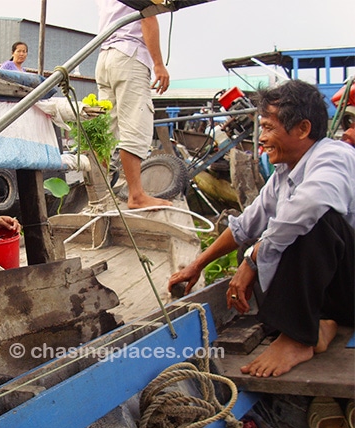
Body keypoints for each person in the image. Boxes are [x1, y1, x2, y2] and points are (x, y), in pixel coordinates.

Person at [168, 79, 355, 378]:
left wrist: (252, 260)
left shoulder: (335, 157)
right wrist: (198, 265)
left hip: (351, 286)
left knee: (313, 221)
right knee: (256, 237)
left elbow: (307, 209)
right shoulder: (284, 171)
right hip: (332, 297)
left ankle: (297, 339)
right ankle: (321, 323)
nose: (262, 138)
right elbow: (245, 225)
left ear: (303, 129)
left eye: (269, 128)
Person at [95, 0, 172, 209]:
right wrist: (158, 64)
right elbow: (148, 16)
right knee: (134, 125)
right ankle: (136, 195)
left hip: (104, 56)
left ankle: (100, 195)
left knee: (105, 131)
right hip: (129, 54)